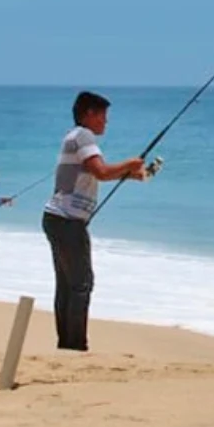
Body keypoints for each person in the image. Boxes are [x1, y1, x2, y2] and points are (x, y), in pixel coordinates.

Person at [40, 91, 146, 351]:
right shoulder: (83, 136)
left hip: (57, 218)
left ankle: (66, 344)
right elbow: (101, 171)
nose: (105, 123)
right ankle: (75, 346)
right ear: (89, 114)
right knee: (81, 284)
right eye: (103, 116)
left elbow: (91, 172)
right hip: (66, 221)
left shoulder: (73, 138)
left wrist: (130, 174)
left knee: (67, 285)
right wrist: (130, 163)